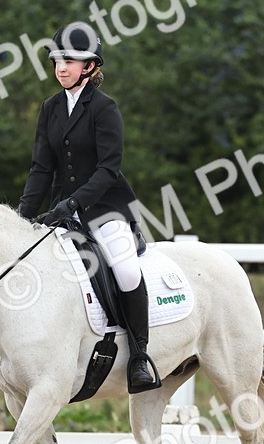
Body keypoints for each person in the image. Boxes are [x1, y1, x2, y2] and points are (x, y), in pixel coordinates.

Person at [16, 22, 161, 393]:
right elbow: (41, 168)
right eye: (57, 61)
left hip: (106, 209)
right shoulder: (50, 108)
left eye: (70, 61)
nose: (61, 67)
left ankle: (141, 357)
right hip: (61, 212)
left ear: (90, 66)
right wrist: (21, 217)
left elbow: (108, 168)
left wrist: (75, 202)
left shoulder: (104, 107)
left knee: (126, 271)